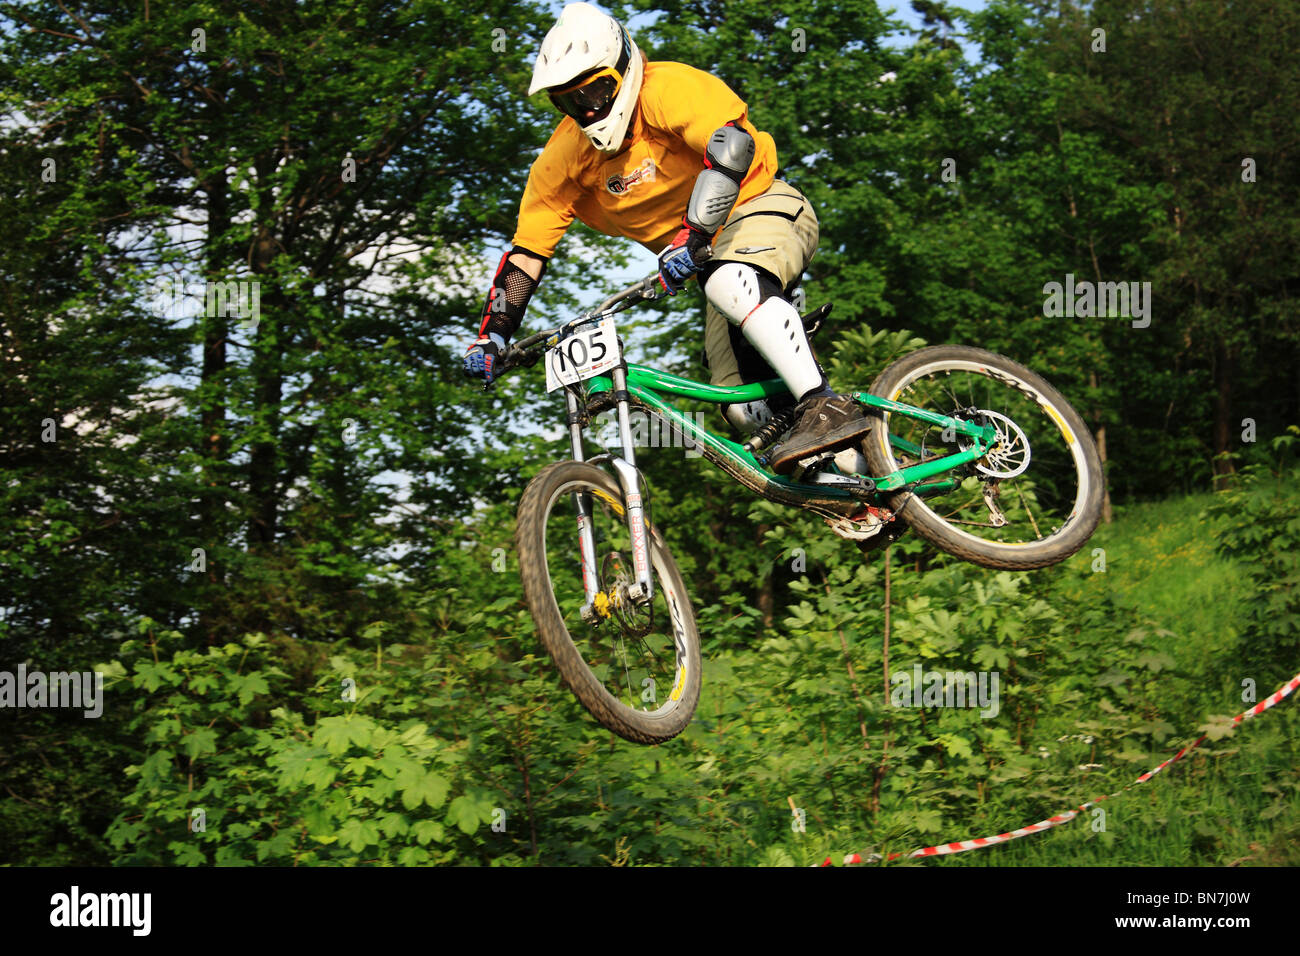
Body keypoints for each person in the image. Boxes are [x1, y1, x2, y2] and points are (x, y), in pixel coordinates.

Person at [463, 1, 870, 474]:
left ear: (622, 70)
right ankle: (858, 488)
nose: (589, 109)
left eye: (595, 92)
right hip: (708, 258)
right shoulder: (562, 161)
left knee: (729, 281)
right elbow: (527, 254)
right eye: (570, 102)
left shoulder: (669, 89)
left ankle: (825, 402)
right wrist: (494, 336)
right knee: (743, 408)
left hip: (761, 208)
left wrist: (692, 233)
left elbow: (734, 149)